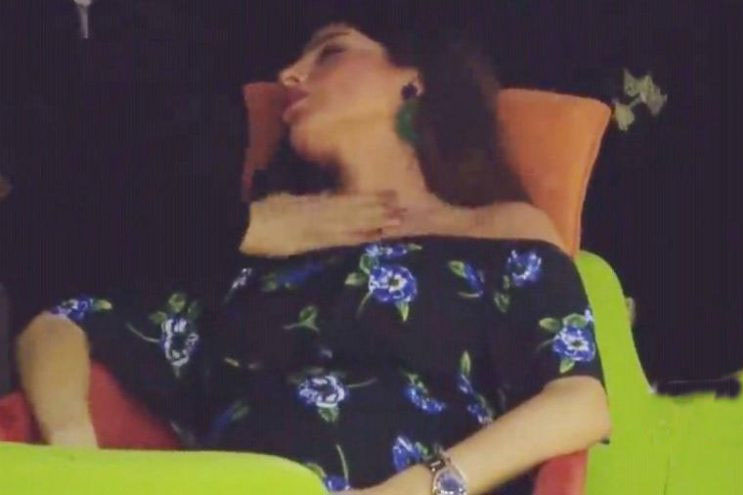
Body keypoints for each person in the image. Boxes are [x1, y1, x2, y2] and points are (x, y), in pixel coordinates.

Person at [16, 22, 611, 495]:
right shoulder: (262, 252)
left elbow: (578, 401)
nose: (290, 76)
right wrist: (77, 458)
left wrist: (420, 488)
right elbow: (60, 327)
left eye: (330, 53)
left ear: (414, 80)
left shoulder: (497, 232)